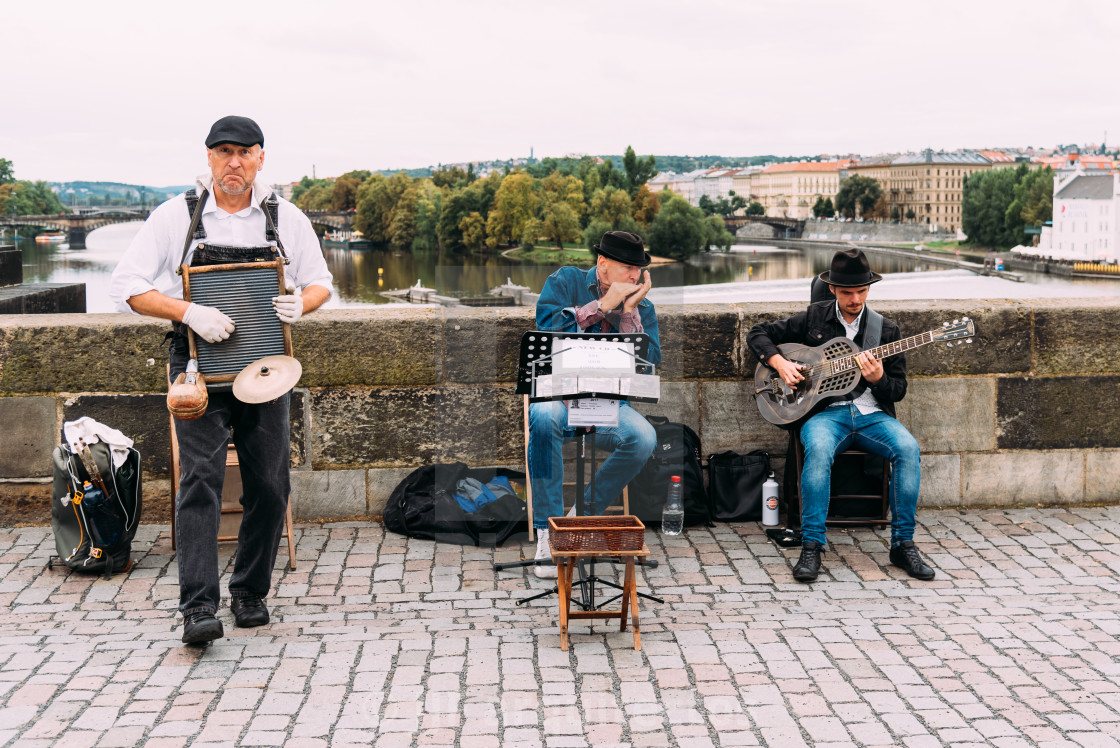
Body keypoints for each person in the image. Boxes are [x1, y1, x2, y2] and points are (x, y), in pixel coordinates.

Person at [109, 116, 333, 644]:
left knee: (271, 486)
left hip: (267, 369)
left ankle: (249, 590)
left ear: (261, 158)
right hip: (196, 372)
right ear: (208, 158)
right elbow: (128, 287)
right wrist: (189, 312)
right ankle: (198, 607)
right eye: (224, 152)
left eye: (245, 152)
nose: (235, 162)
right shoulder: (175, 217)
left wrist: (300, 304)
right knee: (200, 483)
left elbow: (321, 282)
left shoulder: (285, 218)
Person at [746, 248, 935, 582]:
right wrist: (780, 363)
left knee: (908, 449)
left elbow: (898, 391)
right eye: (847, 292)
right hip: (824, 415)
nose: (855, 299)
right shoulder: (813, 318)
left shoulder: (885, 331)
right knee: (817, 450)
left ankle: (903, 543)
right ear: (832, 289)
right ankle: (812, 545)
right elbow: (757, 333)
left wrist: (878, 379)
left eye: (862, 291)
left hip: (871, 415)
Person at [528, 231, 659, 578]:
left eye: (639, 268)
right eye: (629, 267)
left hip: (607, 406)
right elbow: (547, 326)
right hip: (561, 399)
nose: (635, 276)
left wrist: (629, 313)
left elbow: (651, 363)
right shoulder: (565, 281)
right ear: (602, 264)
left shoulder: (643, 304)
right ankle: (547, 532)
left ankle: (576, 519)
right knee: (541, 415)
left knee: (644, 438)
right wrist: (602, 307)